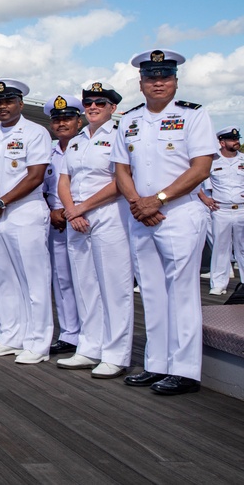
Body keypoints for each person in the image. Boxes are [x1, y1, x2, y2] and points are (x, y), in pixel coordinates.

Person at [113, 49, 216, 395]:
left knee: (182, 292)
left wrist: (156, 200)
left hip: (180, 213)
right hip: (140, 215)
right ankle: (157, 364)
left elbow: (201, 168)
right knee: (153, 292)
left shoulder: (194, 116)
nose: (159, 83)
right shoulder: (128, 120)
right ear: (141, 83)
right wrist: (136, 203)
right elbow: (122, 170)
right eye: (151, 77)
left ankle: (185, 370)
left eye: (165, 76)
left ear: (175, 81)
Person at [56, 81, 134, 379]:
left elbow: (120, 181)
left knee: (114, 287)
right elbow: (64, 179)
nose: (93, 108)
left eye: (100, 104)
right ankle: (89, 348)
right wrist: (71, 209)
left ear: (112, 108)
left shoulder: (119, 136)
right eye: (89, 103)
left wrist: (81, 207)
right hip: (77, 217)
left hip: (109, 214)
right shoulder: (76, 141)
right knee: (85, 285)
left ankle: (116, 354)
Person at [0, 78, 53, 365]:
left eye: (9, 101)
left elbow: (35, 175)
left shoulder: (35, 133)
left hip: (25, 213)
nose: (3, 106)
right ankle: (11, 336)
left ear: (20, 103)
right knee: (2, 278)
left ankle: (37, 342)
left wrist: (2, 200)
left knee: (34, 280)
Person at [42, 95, 83, 356]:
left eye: (67, 118)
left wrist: (71, 211)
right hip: (56, 222)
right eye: (57, 119)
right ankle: (69, 333)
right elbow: (42, 188)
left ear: (78, 121)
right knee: (62, 280)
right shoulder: (48, 152)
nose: (61, 123)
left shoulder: (88, 146)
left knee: (88, 281)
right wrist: (51, 211)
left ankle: (92, 334)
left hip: (84, 220)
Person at [198, 126, 244, 296]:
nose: (237, 142)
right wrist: (204, 198)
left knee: (243, 248)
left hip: (242, 209)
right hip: (221, 210)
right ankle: (218, 283)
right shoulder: (213, 162)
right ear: (222, 143)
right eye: (233, 140)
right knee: (220, 248)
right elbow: (197, 181)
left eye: (237, 139)